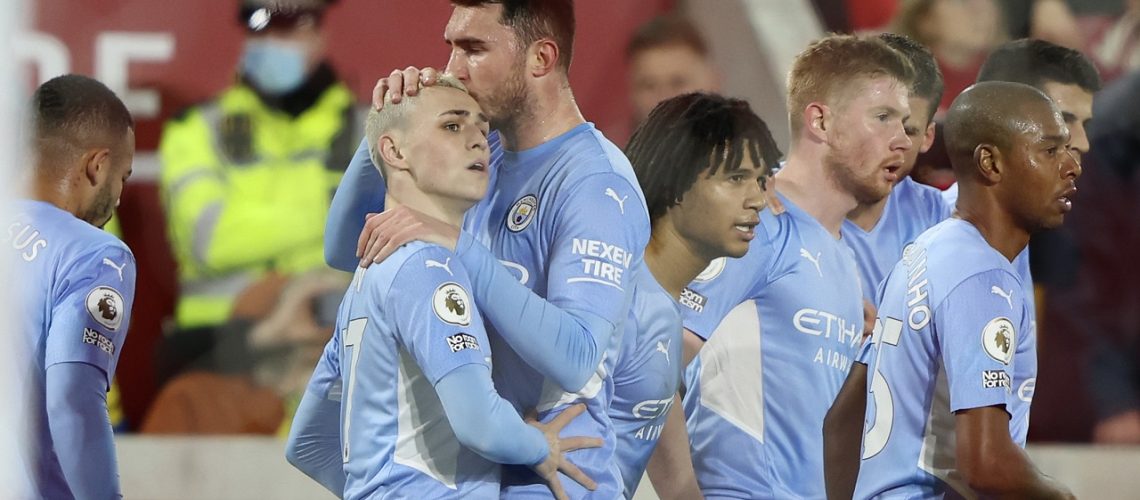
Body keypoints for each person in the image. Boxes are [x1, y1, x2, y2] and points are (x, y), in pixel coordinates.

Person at [323, 1, 650, 497]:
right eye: (451, 46)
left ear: (541, 59)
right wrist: (389, 129)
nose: (453, 68)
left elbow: (578, 356)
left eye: (474, 49)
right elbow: (346, 250)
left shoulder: (594, 184)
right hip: (491, 462)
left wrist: (457, 245)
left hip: (557, 474)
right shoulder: (481, 154)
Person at [286, 76, 600, 499]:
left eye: (481, 127)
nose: (476, 141)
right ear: (394, 151)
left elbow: (307, 443)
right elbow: (480, 425)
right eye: (452, 126)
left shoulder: (370, 274)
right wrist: (540, 446)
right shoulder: (430, 267)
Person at [677, 34, 913, 498]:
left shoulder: (843, 257)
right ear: (820, 121)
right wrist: (681, 493)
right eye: (883, 117)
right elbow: (653, 357)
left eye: (904, 123)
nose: (902, 140)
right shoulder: (757, 219)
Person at [837, 81, 1079, 498]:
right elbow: (987, 465)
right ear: (990, 163)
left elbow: (841, 423)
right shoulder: (982, 278)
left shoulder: (925, 252)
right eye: (1050, 150)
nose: (1072, 166)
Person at [610, 93, 780, 498]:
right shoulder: (617, 298)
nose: (757, 200)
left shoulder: (663, 310)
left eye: (760, 180)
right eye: (735, 178)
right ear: (677, 183)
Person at [159, 0, 360, 332]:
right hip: (218, 345)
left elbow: (384, 235)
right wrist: (334, 212)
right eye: (260, 28)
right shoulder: (196, 128)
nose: (271, 41)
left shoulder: (370, 130)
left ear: (319, 32)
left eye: (287, 27)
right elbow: (209, 240)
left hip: (330, 337)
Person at [8, 74, 136, 499]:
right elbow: (72, 401)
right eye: (124, 176)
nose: (119, 196)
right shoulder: (92, 255)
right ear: (97, 165)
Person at [844, 32, 950, 300]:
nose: (895, 142)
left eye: (909, 130)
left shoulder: (940, 222)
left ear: (928, 137)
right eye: (881, 119)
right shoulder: (770, 205)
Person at [625, 14, 721, 129]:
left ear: (713, 83)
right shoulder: (608, 145)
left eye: (677, 83)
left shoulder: (744, 144)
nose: (663, 98)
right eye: (649, 86)